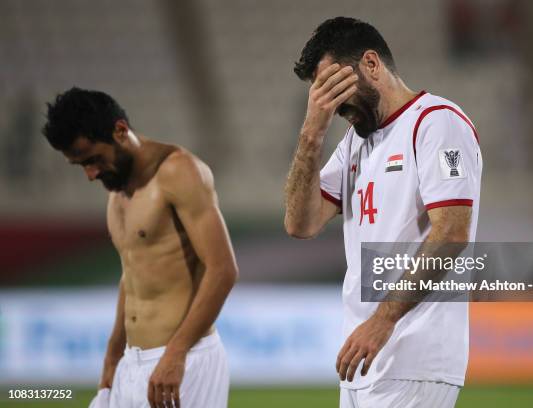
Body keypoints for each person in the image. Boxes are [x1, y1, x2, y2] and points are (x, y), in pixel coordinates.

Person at [285, 17, 482, 407]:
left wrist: (383, 319)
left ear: (371, 64)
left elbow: (452, 234)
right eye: (321, 93)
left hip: (413, 357)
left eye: (334, 87)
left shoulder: (437, 123)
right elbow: (300, 223)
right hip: (363, 358)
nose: (332, 104)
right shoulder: (355, 143)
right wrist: (311, 135)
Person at [42, 87, 238, 408]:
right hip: (131, 364)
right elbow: (132, 275)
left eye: (92, 160)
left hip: (184, 362)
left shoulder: (178, 171)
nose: (90, 174)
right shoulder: (117, 190)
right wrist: (113, 354)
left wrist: (176, 354)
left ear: (120, 131)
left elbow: (223, 270)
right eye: (81, 166)